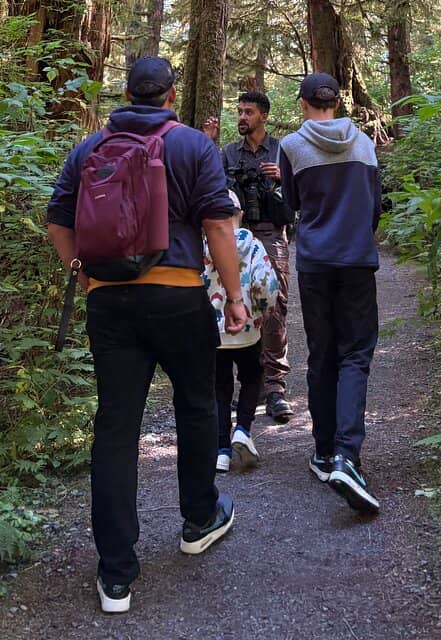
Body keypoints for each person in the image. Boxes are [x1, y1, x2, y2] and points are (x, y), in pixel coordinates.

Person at [46, 57, 249, 615]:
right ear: (171, 95)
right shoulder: (192, 146)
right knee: (197, 405)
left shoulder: (89, 148)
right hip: (179, 295)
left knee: (115, 426)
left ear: (126, 91)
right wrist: (234, 298)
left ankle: (116, 575)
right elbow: (216, 226)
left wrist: (83, 276)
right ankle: (199, 518)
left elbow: (58, 219)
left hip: (109, 301)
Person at [278, 72, 383, 516]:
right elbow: (375, 205)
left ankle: (323, 453)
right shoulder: (364, 145)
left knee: (322, 352)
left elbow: (289, 207)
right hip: (358, 259)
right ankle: (347, 454)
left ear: (304, 103)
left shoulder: (291, 147)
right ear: (337, 104)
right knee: (355, 354)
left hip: (316, 263)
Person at [203, 91, 294, 423]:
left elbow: (300, 193)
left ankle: (275, 387)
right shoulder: (229, 153)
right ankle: (245, 383)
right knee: (232, 300)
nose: (242, 117)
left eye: (249, 112)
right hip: (235, 234)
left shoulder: (282, 149)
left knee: (273, 304)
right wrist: (209, 145)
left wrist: (283, 177)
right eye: (239, 111)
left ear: (264, 116)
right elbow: (211, 183)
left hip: (271, 231)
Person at [203, 189, 279, 474]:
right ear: (240, 215)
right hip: (248, 329)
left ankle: (221, 450)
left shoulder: (202, 246)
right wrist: (262, 313)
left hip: (214, 332)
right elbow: (266, 285)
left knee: (219, 390)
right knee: (251, 379)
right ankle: (243, 430)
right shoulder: (253, 244)